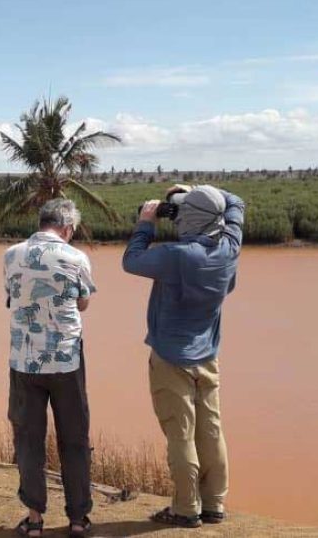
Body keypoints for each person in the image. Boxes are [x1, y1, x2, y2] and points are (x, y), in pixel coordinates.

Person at [122, 183, 245, 528]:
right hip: (208, 355)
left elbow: (131, 261)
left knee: (181, 434)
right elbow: (236, 202)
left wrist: (147, 221)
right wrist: (194, 192)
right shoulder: (229, 247)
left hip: (171, 358)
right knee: (212, 430)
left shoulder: (178, 256)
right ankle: (214, 503)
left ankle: (186, 508)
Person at [4, 198, 96, 538]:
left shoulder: (11, 255)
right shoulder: (76, 257)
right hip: (66, 361)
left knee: (28, 440)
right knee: (74, 438)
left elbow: (12, 298)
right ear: (68, 228)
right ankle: (78, 519)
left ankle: (35, 519)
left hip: (24, 361)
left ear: (42, 222)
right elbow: (83, 302)